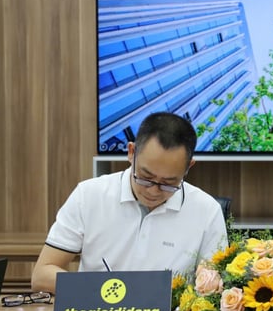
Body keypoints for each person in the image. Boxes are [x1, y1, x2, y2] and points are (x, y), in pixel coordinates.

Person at [31, 112, 227, 293]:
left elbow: (213, 286)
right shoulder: (89, 195)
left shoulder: (207, 211)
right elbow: (42, 275)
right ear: (131, 152)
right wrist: (108, 291)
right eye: (145, 177)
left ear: (188, 167)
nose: (153, 190)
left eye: (169, 183)